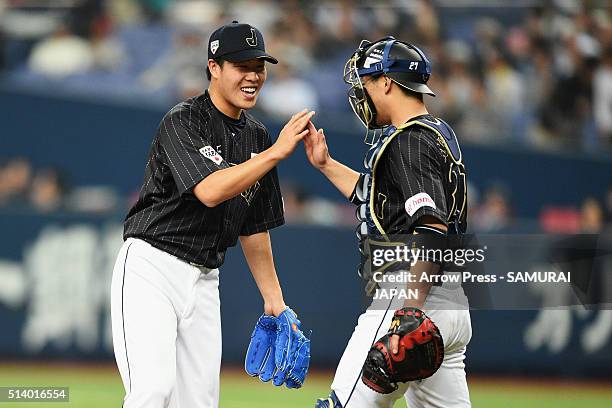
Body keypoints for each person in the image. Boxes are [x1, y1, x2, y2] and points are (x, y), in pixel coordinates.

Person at [110, 21, 312, 408]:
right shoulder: (183, 120)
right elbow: (211, 191)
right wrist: (275, 154)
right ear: (214, 68)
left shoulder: (257, 137)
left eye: (259, 66)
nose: (253, 76)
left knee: (200, 402)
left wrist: (275, 298)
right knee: (152, 390)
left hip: (205, 277)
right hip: (152, 267)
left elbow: (255, 227)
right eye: (242, 66)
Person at [305, 37, 472, 407]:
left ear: (386, 83)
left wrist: (411, 308)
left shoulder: (408, 142)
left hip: (410, 291)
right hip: (450, 302)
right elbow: (379, 199)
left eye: (365, 81)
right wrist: (326, 165)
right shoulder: (437, 133)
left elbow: (430, 225)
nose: (362, 92)